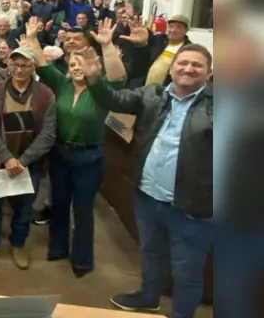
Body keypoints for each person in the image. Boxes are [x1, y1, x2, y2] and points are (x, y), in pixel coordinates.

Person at [78, 44, 213, 318]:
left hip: (191, 206)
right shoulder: (153, 95)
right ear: (172, 68)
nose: (188, 68)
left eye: (197, 65)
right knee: (151, 253)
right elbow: (116, 100)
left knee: (186, 271)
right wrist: (94, 78)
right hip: (148, 195)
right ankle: (149, 297)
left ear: (210, 73)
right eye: (183, 62)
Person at [28, 16, 126, 277]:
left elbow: (119, 78)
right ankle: (58, 248)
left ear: (94, 69)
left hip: (89, 157)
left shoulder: (101, 91)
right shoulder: (61, 84)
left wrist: (106, 46)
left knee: (82, 209)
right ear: (68, 67)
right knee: (59, 203)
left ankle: (82, 259)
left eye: (82, 65)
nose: (76, 68)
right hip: (60, 153)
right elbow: (41, 62)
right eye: (72, 64)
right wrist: (31, 37)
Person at [0, 46, 56, 269]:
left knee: (23, 210)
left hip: (29, 165)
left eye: (25, 65)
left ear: (33, 67)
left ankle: (18, 245)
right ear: (8, 66)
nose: (19, 70)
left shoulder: (45, 94)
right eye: (15, 65)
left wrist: (23, 161)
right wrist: (8, 158)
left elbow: (48, 134)